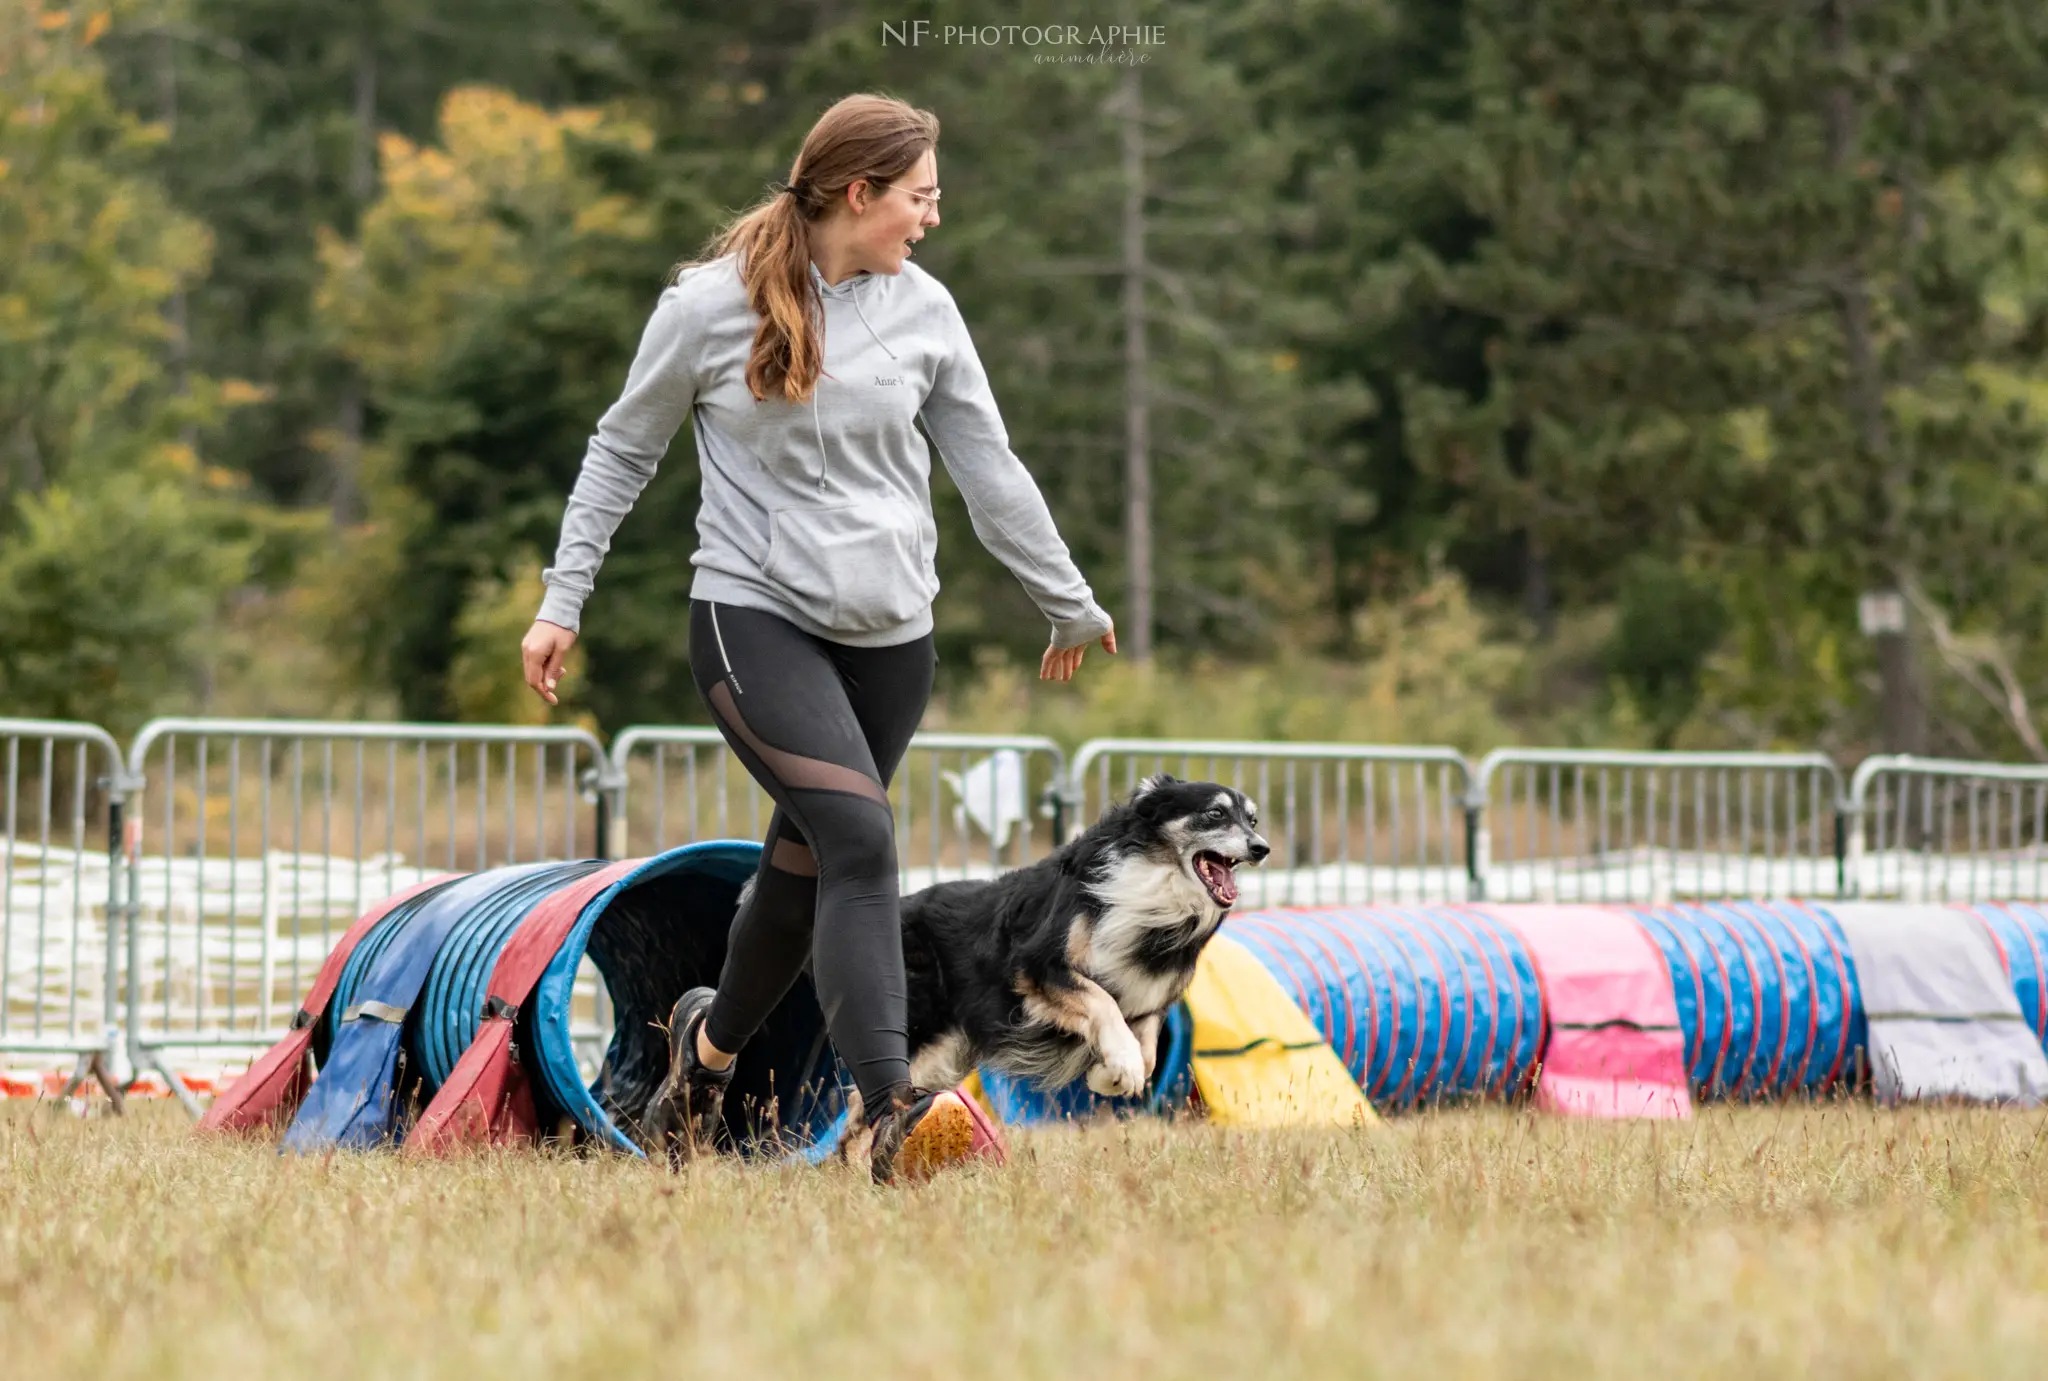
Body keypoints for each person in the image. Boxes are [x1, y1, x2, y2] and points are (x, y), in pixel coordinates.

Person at [520, 93, 1116, 1182]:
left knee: (799, 876)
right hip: (753, 618)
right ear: (859, 193)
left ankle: (701, 1056)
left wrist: (1064, 596)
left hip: (891, 640)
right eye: (920, 197)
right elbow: (619, 452)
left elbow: (988, 467)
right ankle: (891, 1107)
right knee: (859, 844)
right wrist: (564, 599)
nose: (932, 219)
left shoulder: (925, 311)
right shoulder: (708, 307)